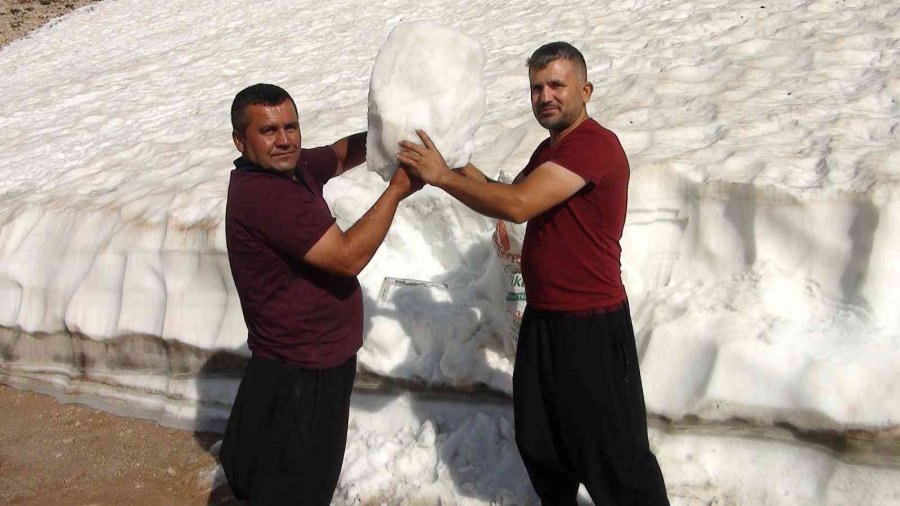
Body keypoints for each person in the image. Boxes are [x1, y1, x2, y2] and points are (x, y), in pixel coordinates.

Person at [398, 42, 669, 505]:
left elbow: (518, 207)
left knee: (613, 451)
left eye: (556, 85)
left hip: (591, 324)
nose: (544, 96)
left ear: (585, 90)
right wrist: (454, 160)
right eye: (536, 87)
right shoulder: (552, 148)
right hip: (546, 320)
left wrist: (443, 177)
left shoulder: (593, 146)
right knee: (541, 440)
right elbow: (506, 191)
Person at [220, 83, 421, 505]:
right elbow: (347, 257)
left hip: (309, 361)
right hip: (302, 371)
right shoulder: (269, 196)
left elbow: (340, 153)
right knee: (298, 483)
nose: (285, 139)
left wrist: (391, 133)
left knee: (291, 470)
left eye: (291, 127)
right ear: (240, 141)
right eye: (269, 131)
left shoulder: (290, 168)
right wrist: (396, 190)